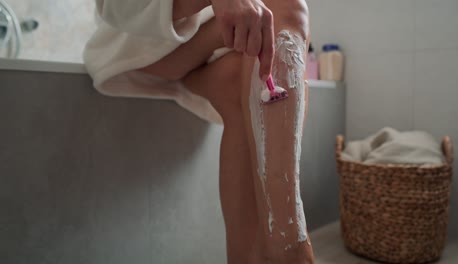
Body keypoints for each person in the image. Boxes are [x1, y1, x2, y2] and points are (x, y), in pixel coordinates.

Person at [84, 0, 314, 263]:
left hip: (202, 52)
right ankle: (290, 246)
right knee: (285, 7)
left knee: (236, 77)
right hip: (142, 42)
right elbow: (116, 6)